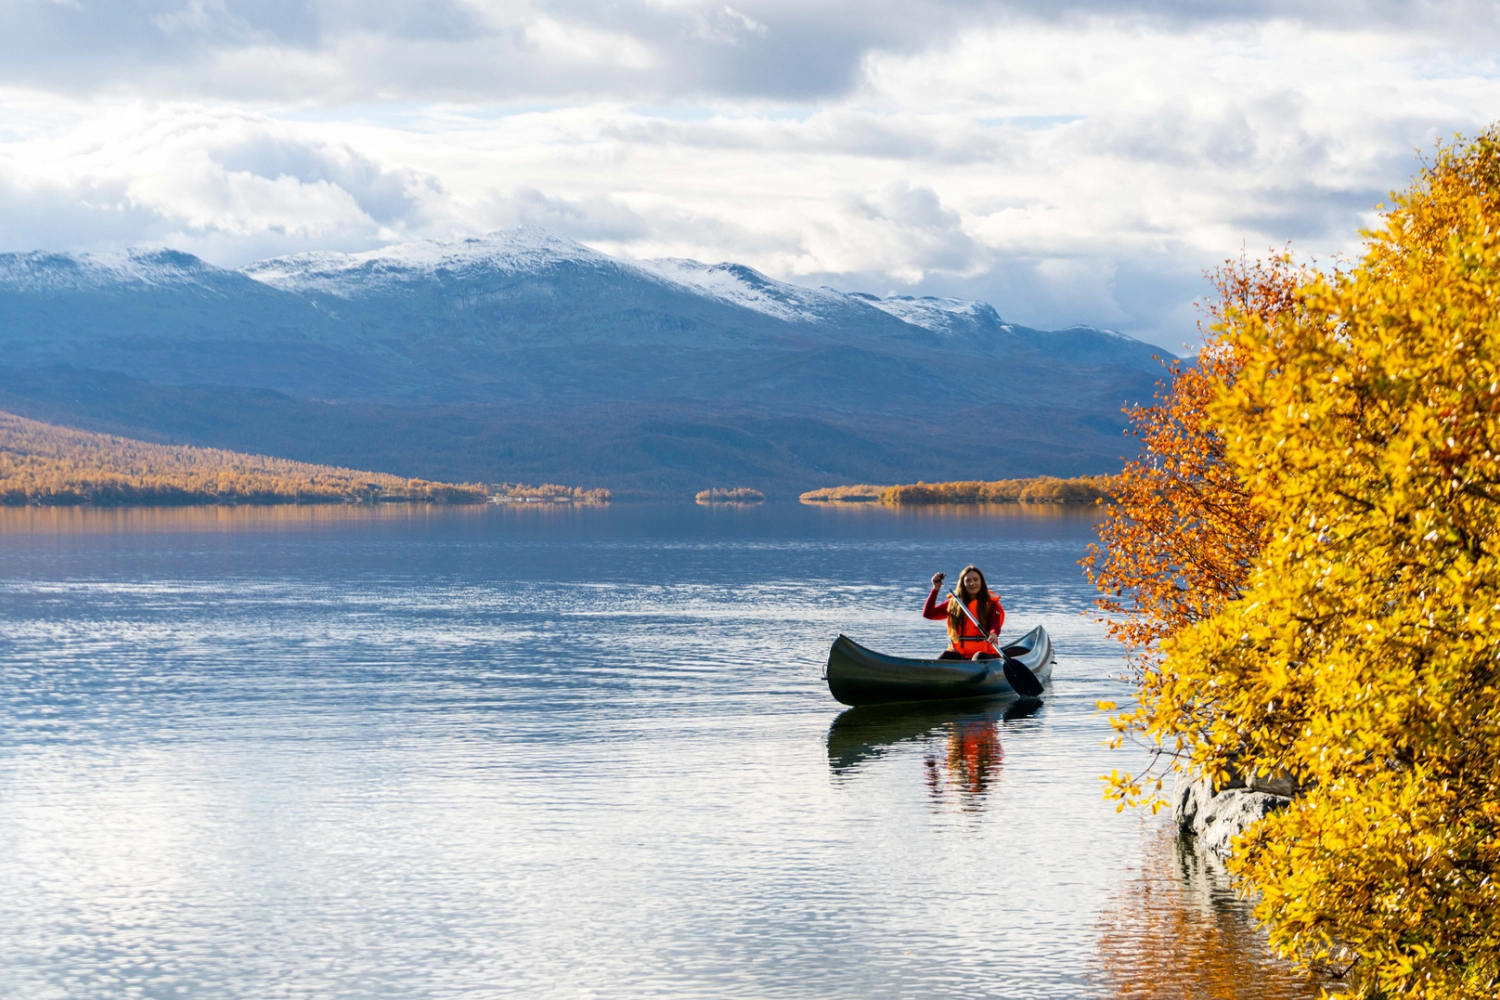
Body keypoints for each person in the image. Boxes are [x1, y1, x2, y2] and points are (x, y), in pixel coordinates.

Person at [923, 565, 1004, 660]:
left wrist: (994, 634)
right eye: (968, 580)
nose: (972, 583)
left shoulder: (991, 604)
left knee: (978, 657)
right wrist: (935, 589)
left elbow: (995, 624)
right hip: (959, 654)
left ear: (981, 582)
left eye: (975, 579)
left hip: (984, 655)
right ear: (963, 583)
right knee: (946, 655)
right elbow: (928, 614)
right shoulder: (954, 604)